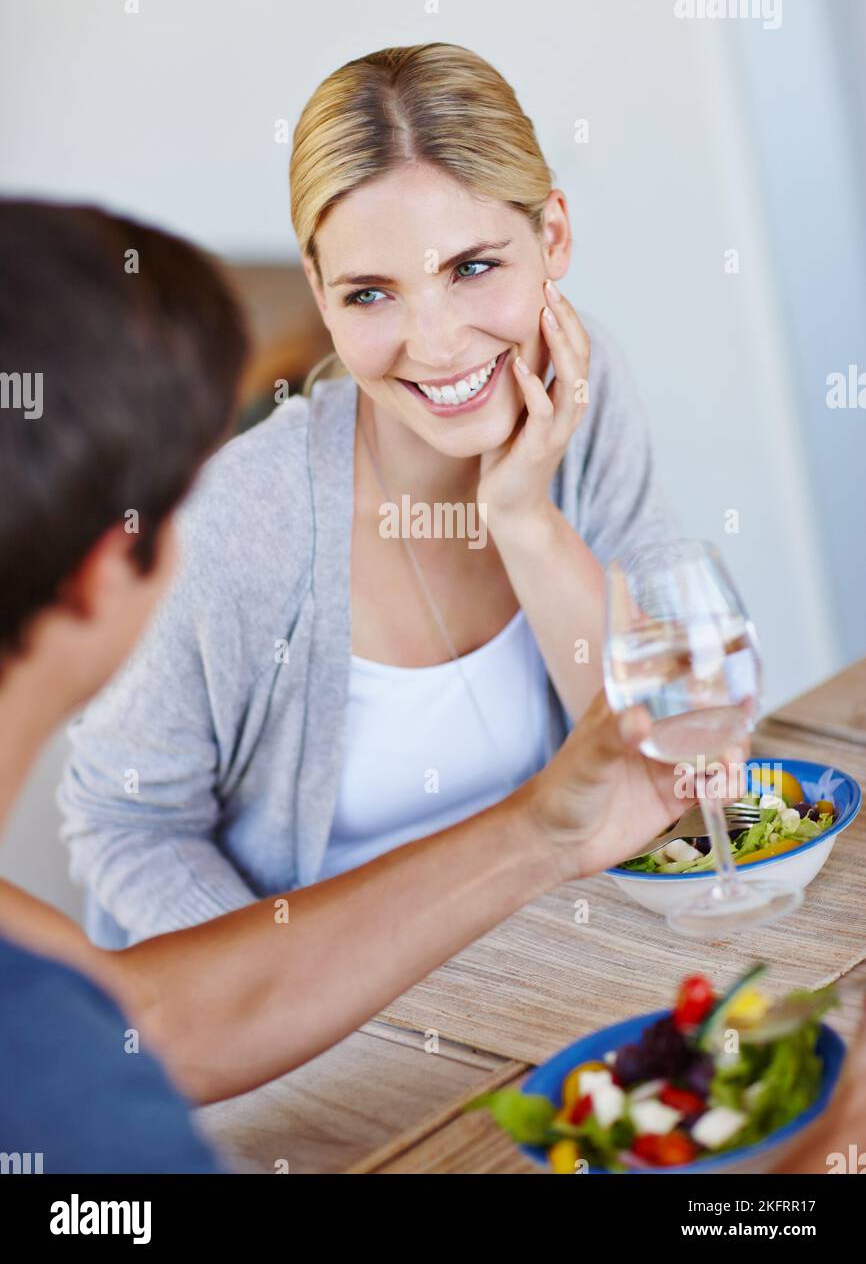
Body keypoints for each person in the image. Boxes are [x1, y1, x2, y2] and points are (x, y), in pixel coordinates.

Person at [0, 199, 696, 1172]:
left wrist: (545, 827)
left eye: (470, 269)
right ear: (110, 571)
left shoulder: (45, 1006)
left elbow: (158, 1013)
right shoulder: (69, 1101)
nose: (436, 336)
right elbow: (136, 979)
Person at [57, 43, 678, 949]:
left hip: (549, 980)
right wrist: (302, 1009)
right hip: (318, 1040)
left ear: (553, 236)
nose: (434, 344)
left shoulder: (580, 398)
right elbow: (125, 825)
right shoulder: (236, 522)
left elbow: (661, 752)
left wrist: (524, 518)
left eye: (472, 268)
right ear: (320, 290)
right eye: (371, 293)